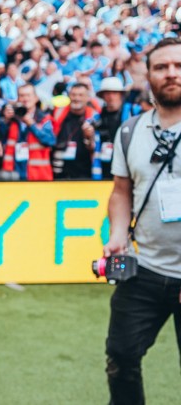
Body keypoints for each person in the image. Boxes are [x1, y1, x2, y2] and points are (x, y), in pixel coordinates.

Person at [103, 37, 181, 405]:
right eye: (162, 67)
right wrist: (118, 235)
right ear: (147, 75)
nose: (171, 74)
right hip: (145, 269)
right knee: (120, 357)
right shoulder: (130, 131)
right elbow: (121, 192)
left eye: (178, 66)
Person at [2, 83, 56, 181]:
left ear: (36, 98)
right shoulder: (13, 119)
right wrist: (5, 121)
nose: (25, 99)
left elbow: (50, 141)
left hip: (39, 176)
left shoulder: (44, 118)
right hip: (15, 175)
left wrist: (32, 124)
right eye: (22, 96)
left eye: (28, 95)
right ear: (18, 99)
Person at [92, 76, 141, 180]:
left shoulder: (134, 112)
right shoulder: (97, 118)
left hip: (128, 166)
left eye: (114, 93)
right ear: (102, 96)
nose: (111, 97)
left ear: (121, 95)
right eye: (107, 93)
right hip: (105, 167)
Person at [52, 82, 99, 179]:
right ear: (69, 96)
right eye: (73, 95)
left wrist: (88, 137)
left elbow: (95, 147)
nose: (76, 98)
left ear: (87, 98)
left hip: (84, 171)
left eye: (81, 95)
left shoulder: (95, 117)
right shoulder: (57, 113)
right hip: (60, 169)